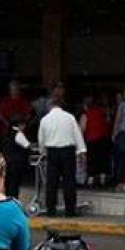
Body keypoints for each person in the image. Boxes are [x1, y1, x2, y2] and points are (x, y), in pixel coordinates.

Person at [38, 89, 87, 217]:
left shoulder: (45, 119)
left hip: (52, 152)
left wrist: (42, 151)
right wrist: (82, 151)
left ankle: (51, 210)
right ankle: (70, 210)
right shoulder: (69, 117)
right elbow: (77, 135)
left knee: (51, 182)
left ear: (51, 106)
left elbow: (41, 139)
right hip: (68, 151)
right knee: (69, 181)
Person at [79, 96, 111, 188]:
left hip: (92, 140)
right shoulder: (102, 112)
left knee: (92, 160)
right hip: (104, 139)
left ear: (86, 106)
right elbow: (108, 123)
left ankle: (91, 181)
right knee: (103, 160)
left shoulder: (86, 114)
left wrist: (80, 143)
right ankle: (103, 181)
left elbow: (82, 129)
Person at [0, 113, 31, 200]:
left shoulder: (8, 134)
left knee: (8, 186)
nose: (25, 126)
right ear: (19, 125)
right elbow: (28, 146)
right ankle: (13, 203)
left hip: (7, 163)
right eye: (23, 124)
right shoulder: (19, 134)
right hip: (16, 164)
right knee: (14, 186)